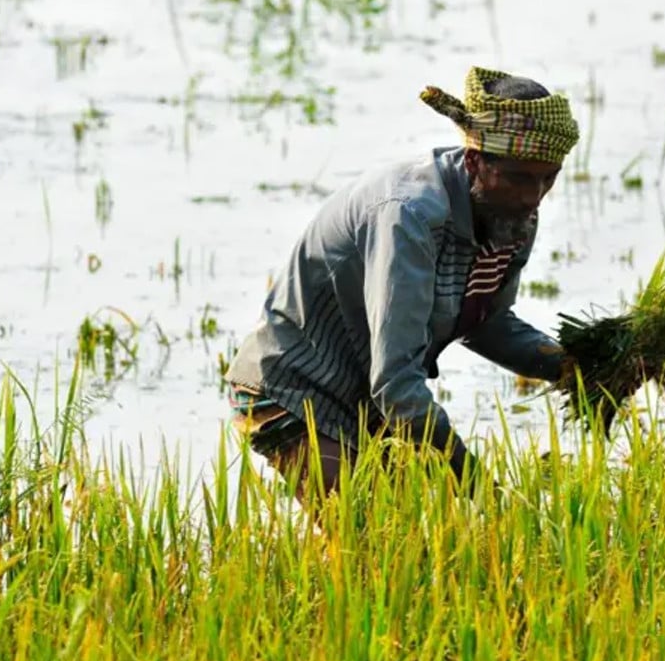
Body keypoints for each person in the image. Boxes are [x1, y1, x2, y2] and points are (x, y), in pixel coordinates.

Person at [225, 66, 580, 504]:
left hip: (366, 399)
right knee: (370, 545)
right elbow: (396, 384)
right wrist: (480, 488)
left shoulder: (512, 217)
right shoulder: (410, 216)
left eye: (549, 178)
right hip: (296, 389)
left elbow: (485, 323)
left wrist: (575, 365)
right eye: (519, 178)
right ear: (475, 161)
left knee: (415, 546)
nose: (534, 196)